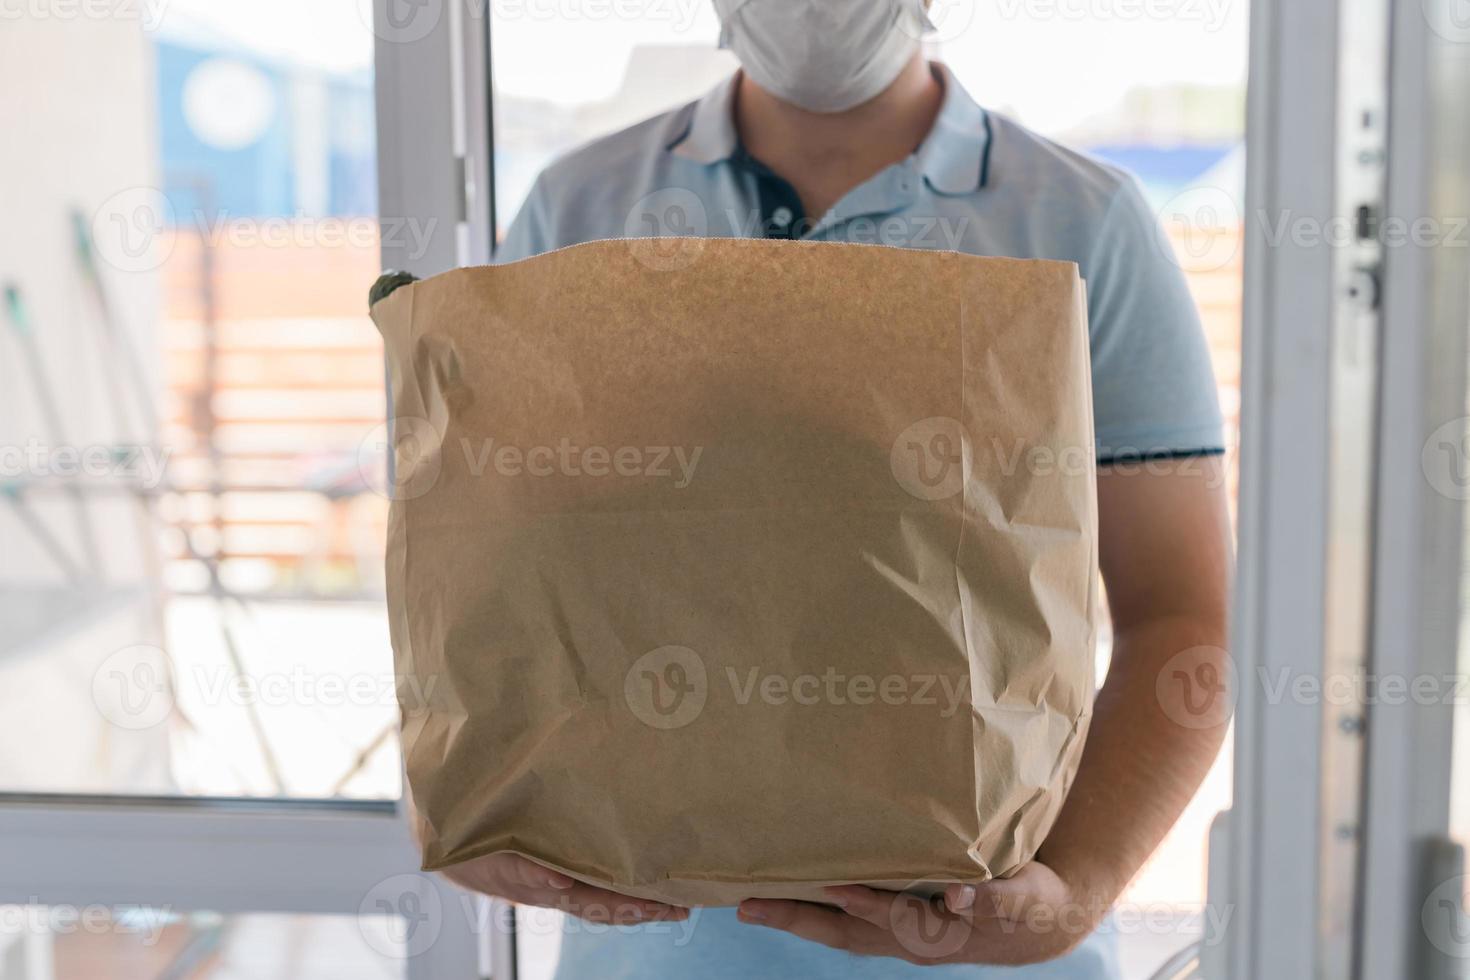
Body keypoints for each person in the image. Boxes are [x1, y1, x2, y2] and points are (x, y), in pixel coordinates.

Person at [440, 0, 1235, 976]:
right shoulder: (582, 204)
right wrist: (467, 810)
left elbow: (1184, 616)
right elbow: (492, 565)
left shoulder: (1085, 221)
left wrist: (1070, 894)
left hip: (980, 949)